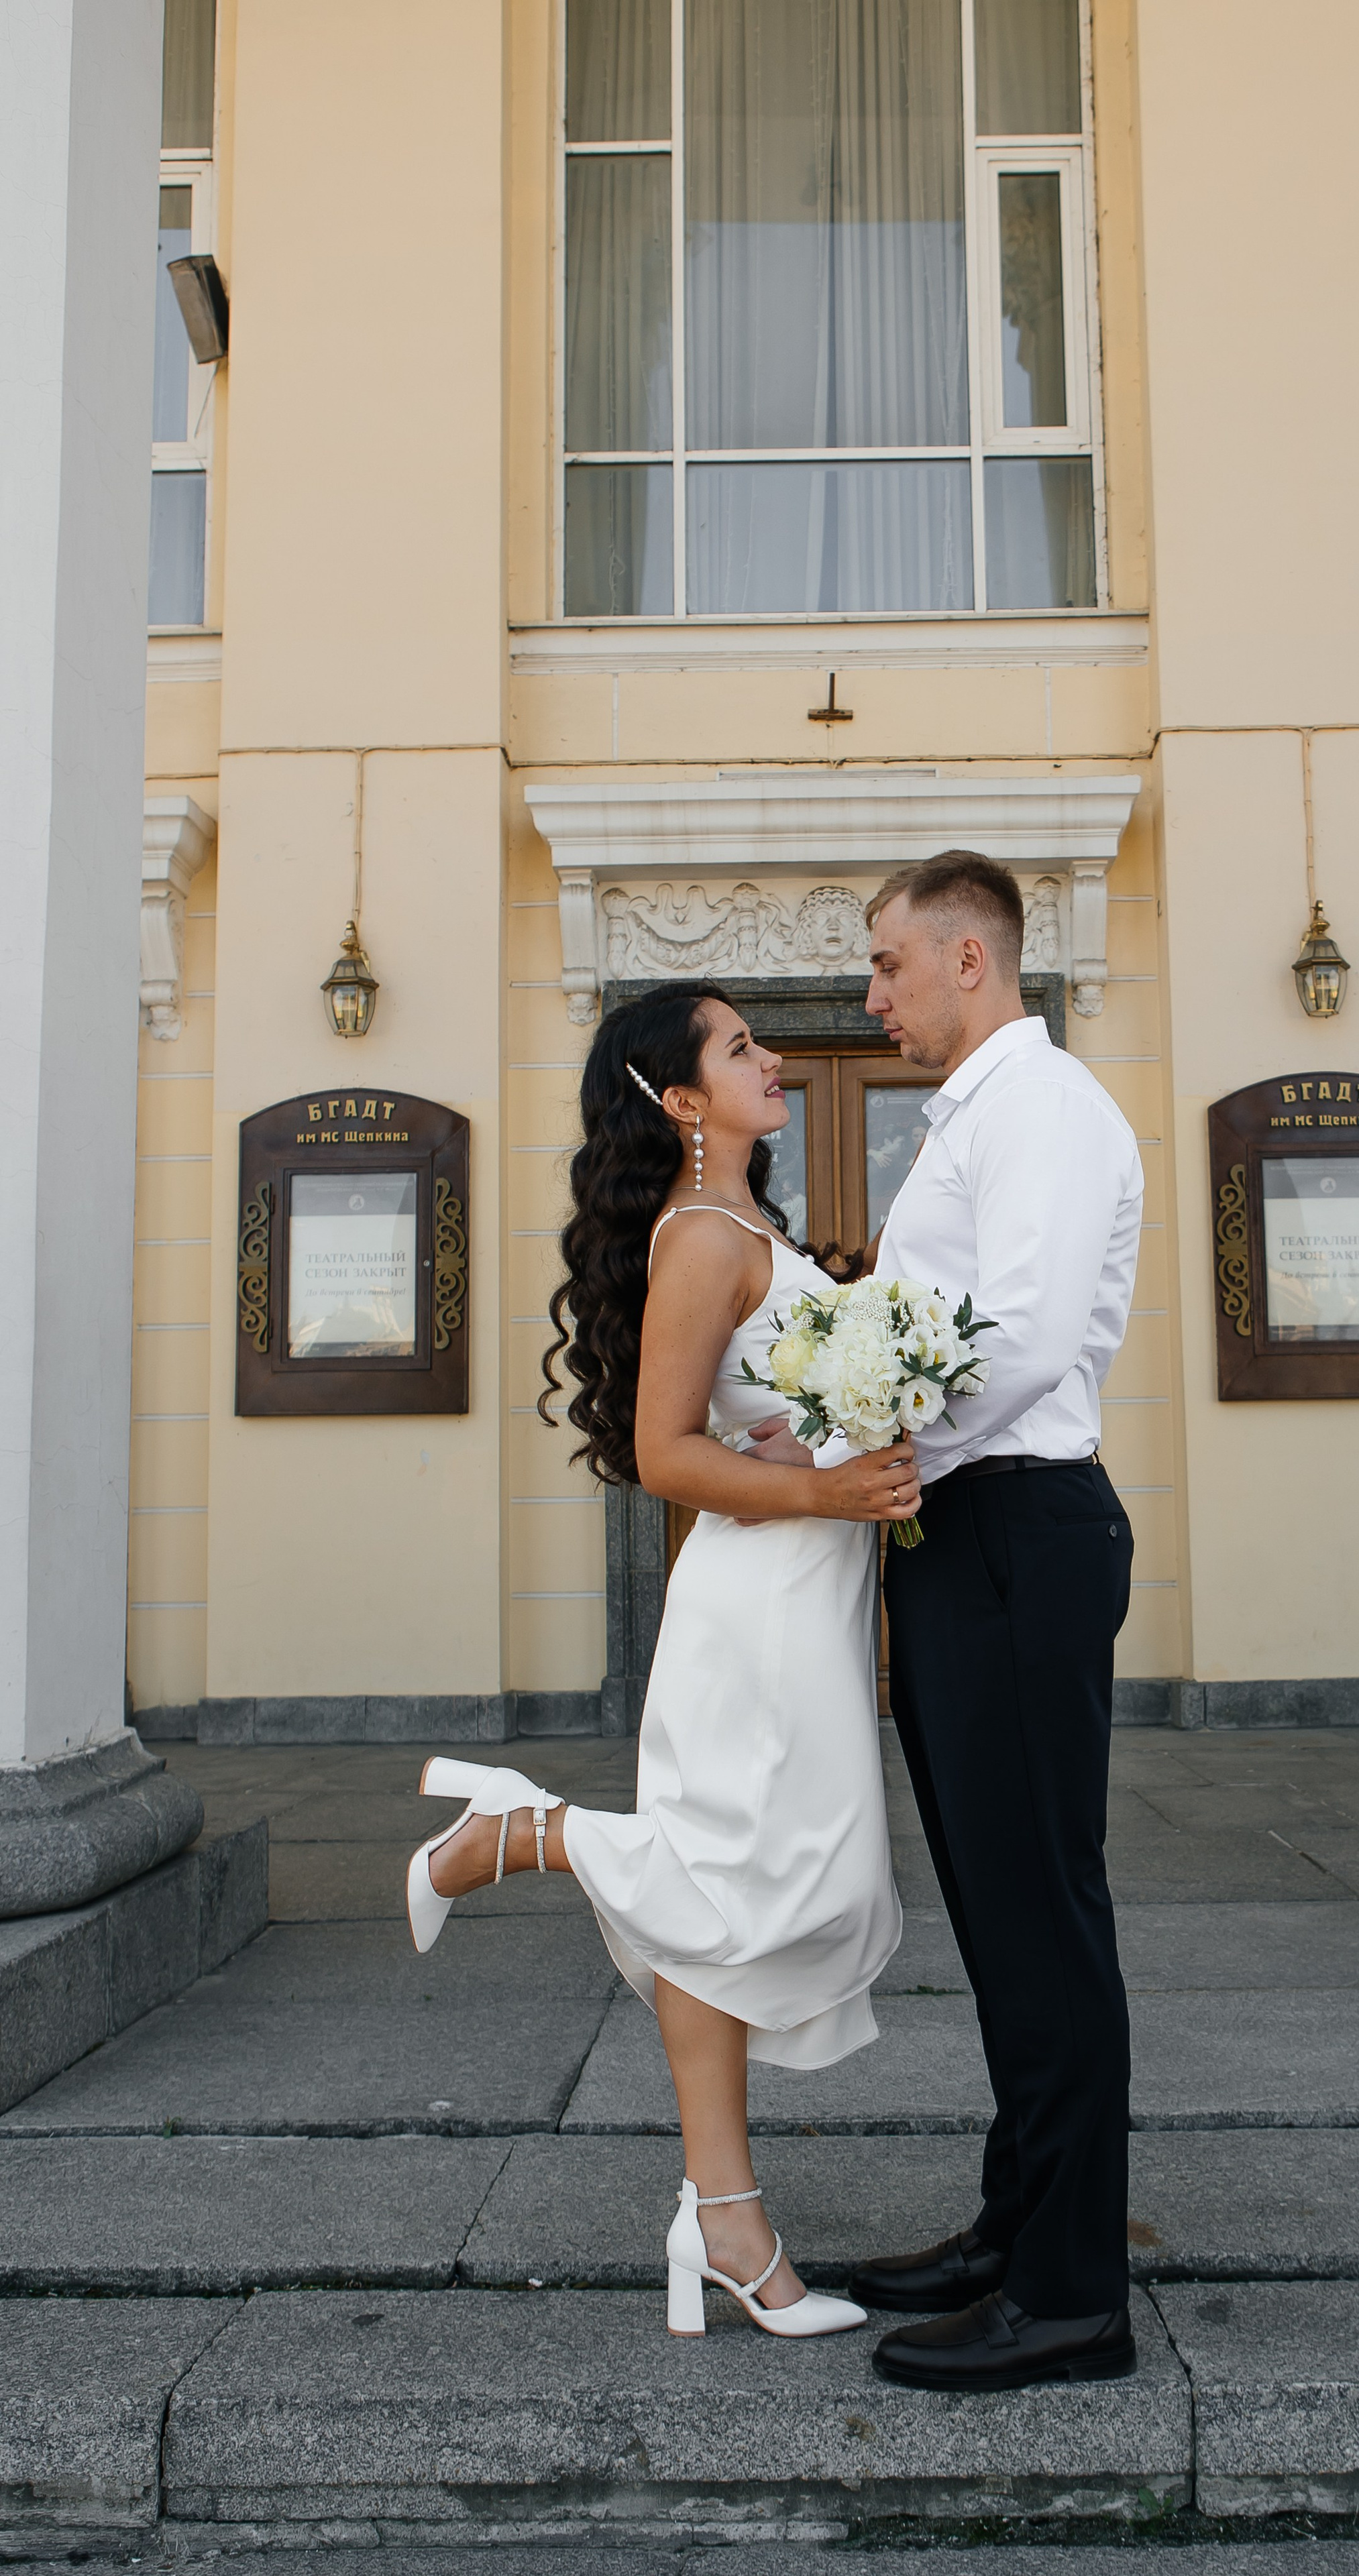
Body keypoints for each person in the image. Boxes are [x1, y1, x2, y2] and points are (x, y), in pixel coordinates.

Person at [403, 983, 918, 2341]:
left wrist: (837, 1431)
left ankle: (719, 2214)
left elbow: (760, 1417)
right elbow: (657, 1454)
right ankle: (519, 1836)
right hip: (756, 1604)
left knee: (762, 1885)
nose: (775, 1062)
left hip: (803, 1596)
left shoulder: (756, 1223)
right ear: (680, 1099)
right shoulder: (701, 1233)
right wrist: (827, 1490)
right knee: (741, 1876)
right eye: (740, 1048)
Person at [840, 850, 1144, 2392]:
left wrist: (884, 1443)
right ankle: (1014, 2223)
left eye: (888, 964)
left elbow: (1018, 1340)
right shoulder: (974, 1117)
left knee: (1040, 1911)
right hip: (967, 1530)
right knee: (997, 1908)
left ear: (971, 958)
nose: (870, 994)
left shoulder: (1040, 1108)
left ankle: (1072, 2293)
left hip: (1018, 1522)